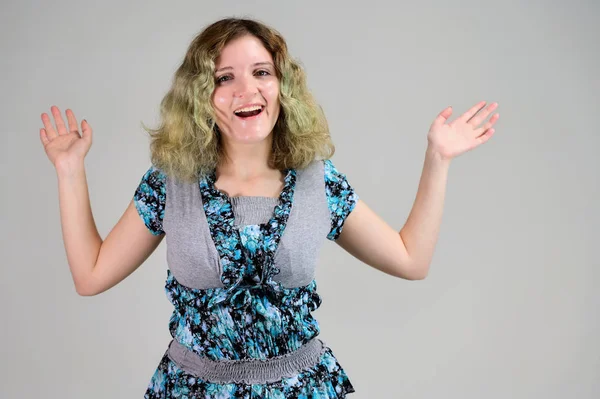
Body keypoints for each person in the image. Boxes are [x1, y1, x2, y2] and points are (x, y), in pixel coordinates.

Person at [39, 17, 499, 398]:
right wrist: (69, 170)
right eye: (225, 78)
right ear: (201, 95)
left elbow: (411, 259)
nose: (247, 90)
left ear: (283, 86)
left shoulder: (319, 181)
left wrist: (437, 159)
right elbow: (91, 274)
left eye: (262, 72)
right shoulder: (170, 185)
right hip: (188, 388)